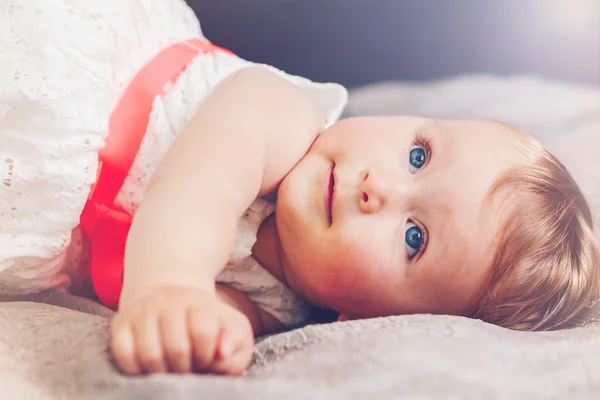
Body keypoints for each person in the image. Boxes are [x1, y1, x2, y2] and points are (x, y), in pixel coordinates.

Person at [1, 0, 598, 376]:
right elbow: (200, 184)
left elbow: (208, 310)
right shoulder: (285, 115)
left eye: (414, 236)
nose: (378, 187)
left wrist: (212, 331)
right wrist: (170, 286)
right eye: (418, 154)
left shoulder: (283, 310)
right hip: (57, 91)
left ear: (362, 319)